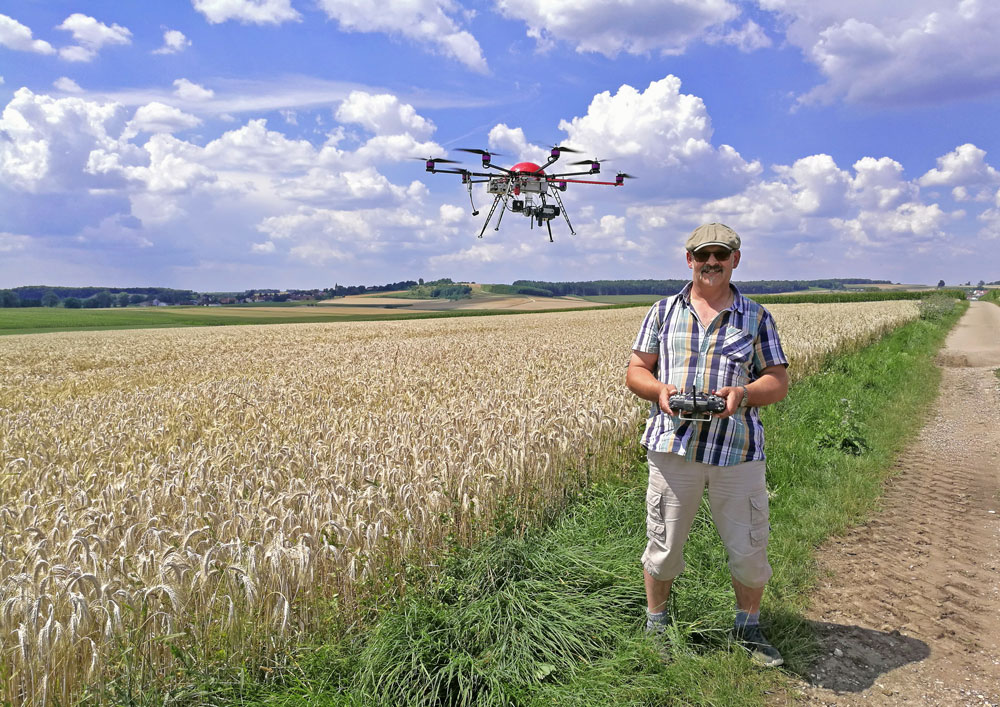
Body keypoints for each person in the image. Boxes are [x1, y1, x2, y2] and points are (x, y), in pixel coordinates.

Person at [625, 222, 790, 667]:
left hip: (736, 451)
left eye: (720, 255)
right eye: (702, 256)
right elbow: (636, 370)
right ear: (689, 260)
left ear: (736, 259)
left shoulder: (756, 316)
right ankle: (656, 623)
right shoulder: (662, 311)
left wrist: (743, 395)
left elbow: (777, 381)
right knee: (663, 545)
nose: (711, 263)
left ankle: (748, 628)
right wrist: (659, 391)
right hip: (672, 449)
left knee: (750, 549)